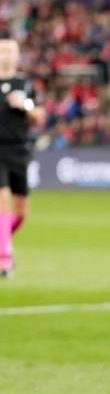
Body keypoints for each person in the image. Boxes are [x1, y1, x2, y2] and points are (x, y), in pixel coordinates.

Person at [0, 37, 45, 278]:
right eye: (3, 49)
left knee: (20, 213)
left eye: (11, 49)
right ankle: (4, 260)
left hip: (19, 151)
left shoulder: (25, 84)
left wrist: (25, 106)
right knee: (2, 202)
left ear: (18, 55)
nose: (6, 53)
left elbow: (39, 116)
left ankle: (2, 241)